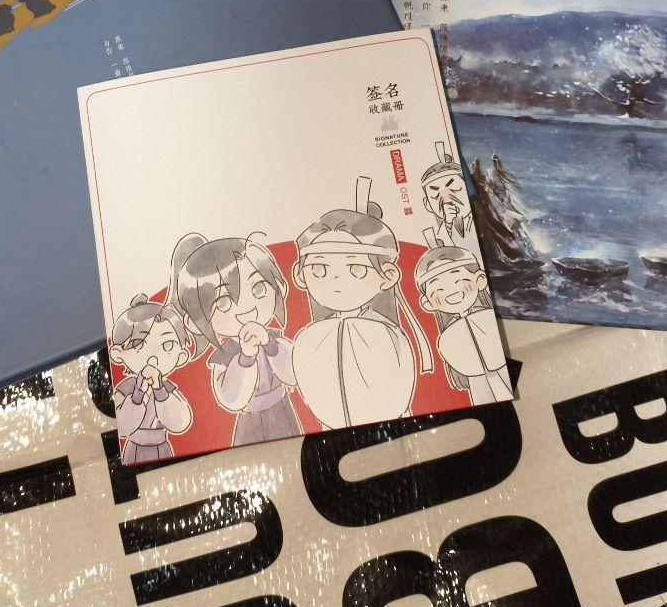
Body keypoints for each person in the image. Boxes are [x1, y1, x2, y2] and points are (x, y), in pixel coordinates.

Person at [292, 177, 433, 430]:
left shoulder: (386, 333)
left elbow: (397, 394)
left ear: (387, 276)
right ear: (300, 275)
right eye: (318, 268)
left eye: (356, 268)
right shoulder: (307, 338)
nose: (335, 280)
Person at [167, 232, 300, 445]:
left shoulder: (274, 339)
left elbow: (295, 374)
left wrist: (270, 344)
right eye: (222, 302)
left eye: (258, 288)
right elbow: (231, 399)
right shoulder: (224, 356)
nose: (246, 308)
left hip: (284, 412)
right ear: (195, 321)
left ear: (279, 286)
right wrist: (245, 358)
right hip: (250, 424)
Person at [414, 237, 511, 405]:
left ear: (480, 280)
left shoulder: (491, 318)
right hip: (477, 383)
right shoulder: (447, 337)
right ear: (427, 303)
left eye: (457, 279)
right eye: (438, 288)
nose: (450, 290)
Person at [109, 293, 193, 463]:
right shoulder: (125, 389)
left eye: (167, 345)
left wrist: (160, 390)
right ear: (118, 354)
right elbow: (123, 427)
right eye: (138, 344)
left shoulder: (167, 389)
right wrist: (138, 394)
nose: (153, 355)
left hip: (163, 448)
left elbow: (181, 423)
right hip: (134, 450)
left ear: (181, 356)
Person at [421, 140, 475, 247]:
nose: (446, 197)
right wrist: (449, 223)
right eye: (435, 194)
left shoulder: (479, 215)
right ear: (427, 204)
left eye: (454, 188)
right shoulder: (441, 235)